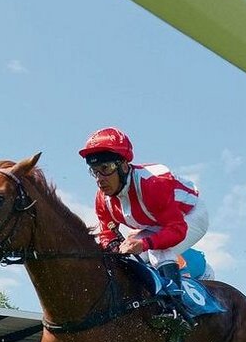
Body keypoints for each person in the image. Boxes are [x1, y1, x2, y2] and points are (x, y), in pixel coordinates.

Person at [79, 127, 209, 329]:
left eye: (105, 169)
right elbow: (106, 232)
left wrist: (145, 243)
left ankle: (175, 307)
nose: (99, 179)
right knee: (123, 258)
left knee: (159, 250)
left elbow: (176, 229)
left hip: (189, 216)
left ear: (123, 165)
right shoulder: (101, 199)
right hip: (155, 222)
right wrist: (113, 246)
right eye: (94, 172)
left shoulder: (153, 184)